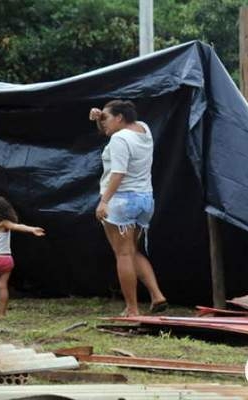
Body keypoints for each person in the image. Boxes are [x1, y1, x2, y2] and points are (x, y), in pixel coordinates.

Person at [89, 100, 167, 317]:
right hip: (144, 200)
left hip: (121, 201)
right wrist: (99, 119)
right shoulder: (143, 128)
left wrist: (104, 201)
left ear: (119, 118)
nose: (103, 123)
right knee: (131, 251)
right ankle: (157, 295)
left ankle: (132, 309)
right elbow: (109, 131)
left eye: (106, 118)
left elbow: (118, 173)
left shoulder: (119, 139)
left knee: (123, 254)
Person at [0, 193, 46, 318]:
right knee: (2, 286)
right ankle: (1, 314)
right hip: (7, 260)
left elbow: (17, 226)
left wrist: (31, 229)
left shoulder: (2, 223)